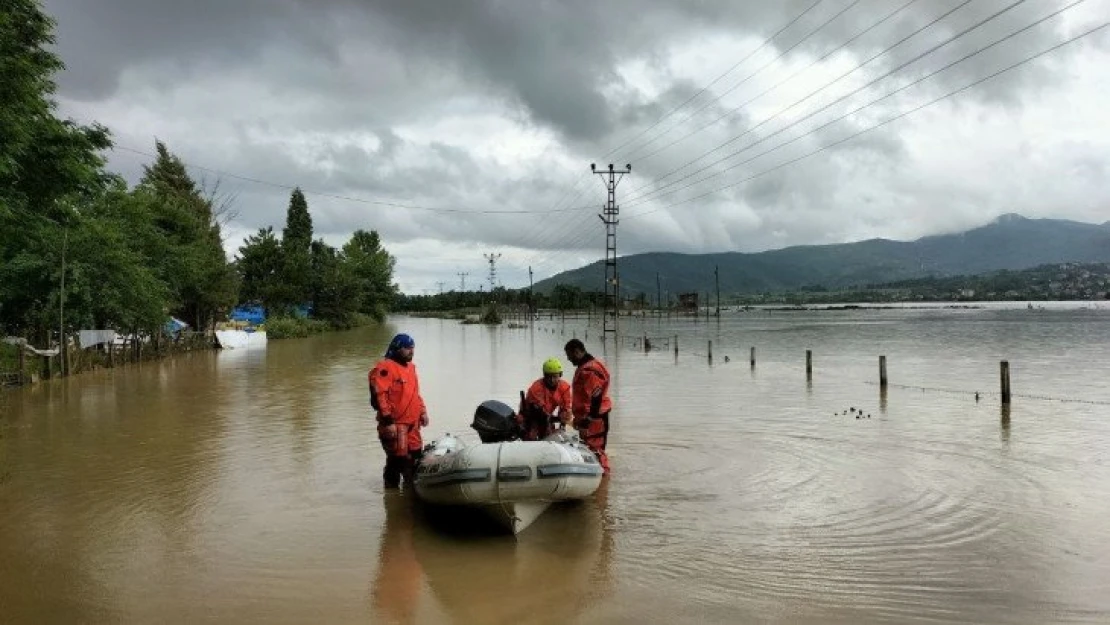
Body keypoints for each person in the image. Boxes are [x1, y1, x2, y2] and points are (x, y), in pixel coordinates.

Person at [369, 333, 428, 488]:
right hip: (395, 424)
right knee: (397, 460)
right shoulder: (385, 367)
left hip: (412, 423)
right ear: (397, 349)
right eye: (407, 348)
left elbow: (415, 393)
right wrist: (388, 421)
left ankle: (409, 492)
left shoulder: (411, 368)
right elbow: (380, 395)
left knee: (415, 457)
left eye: (412, 348)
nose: (411, 351)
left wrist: (423, 411)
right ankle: (392, 494)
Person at [564, 339, 612, 474]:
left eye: (569, 356)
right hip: (592, 416)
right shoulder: (594, 364)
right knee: (590, 449)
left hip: (594, 418)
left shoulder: (588, 370)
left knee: (595, 451)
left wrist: (589, 420)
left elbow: (596, 395)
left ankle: (603, 480)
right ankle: (599, 481)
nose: (569, 359)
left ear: (577, 352)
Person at [517, 357, 572, 441]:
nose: (552, 380)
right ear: (544, 375)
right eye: (549, 377)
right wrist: (554, 419)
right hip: (532, 414)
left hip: (547, 415)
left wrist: (563, 422)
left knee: (562, 421)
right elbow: (540, 413)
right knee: (532, 435)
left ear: (560, 375)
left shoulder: (565, 388)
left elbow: (566, 407)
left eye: (555, 376)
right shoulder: (536, 388)